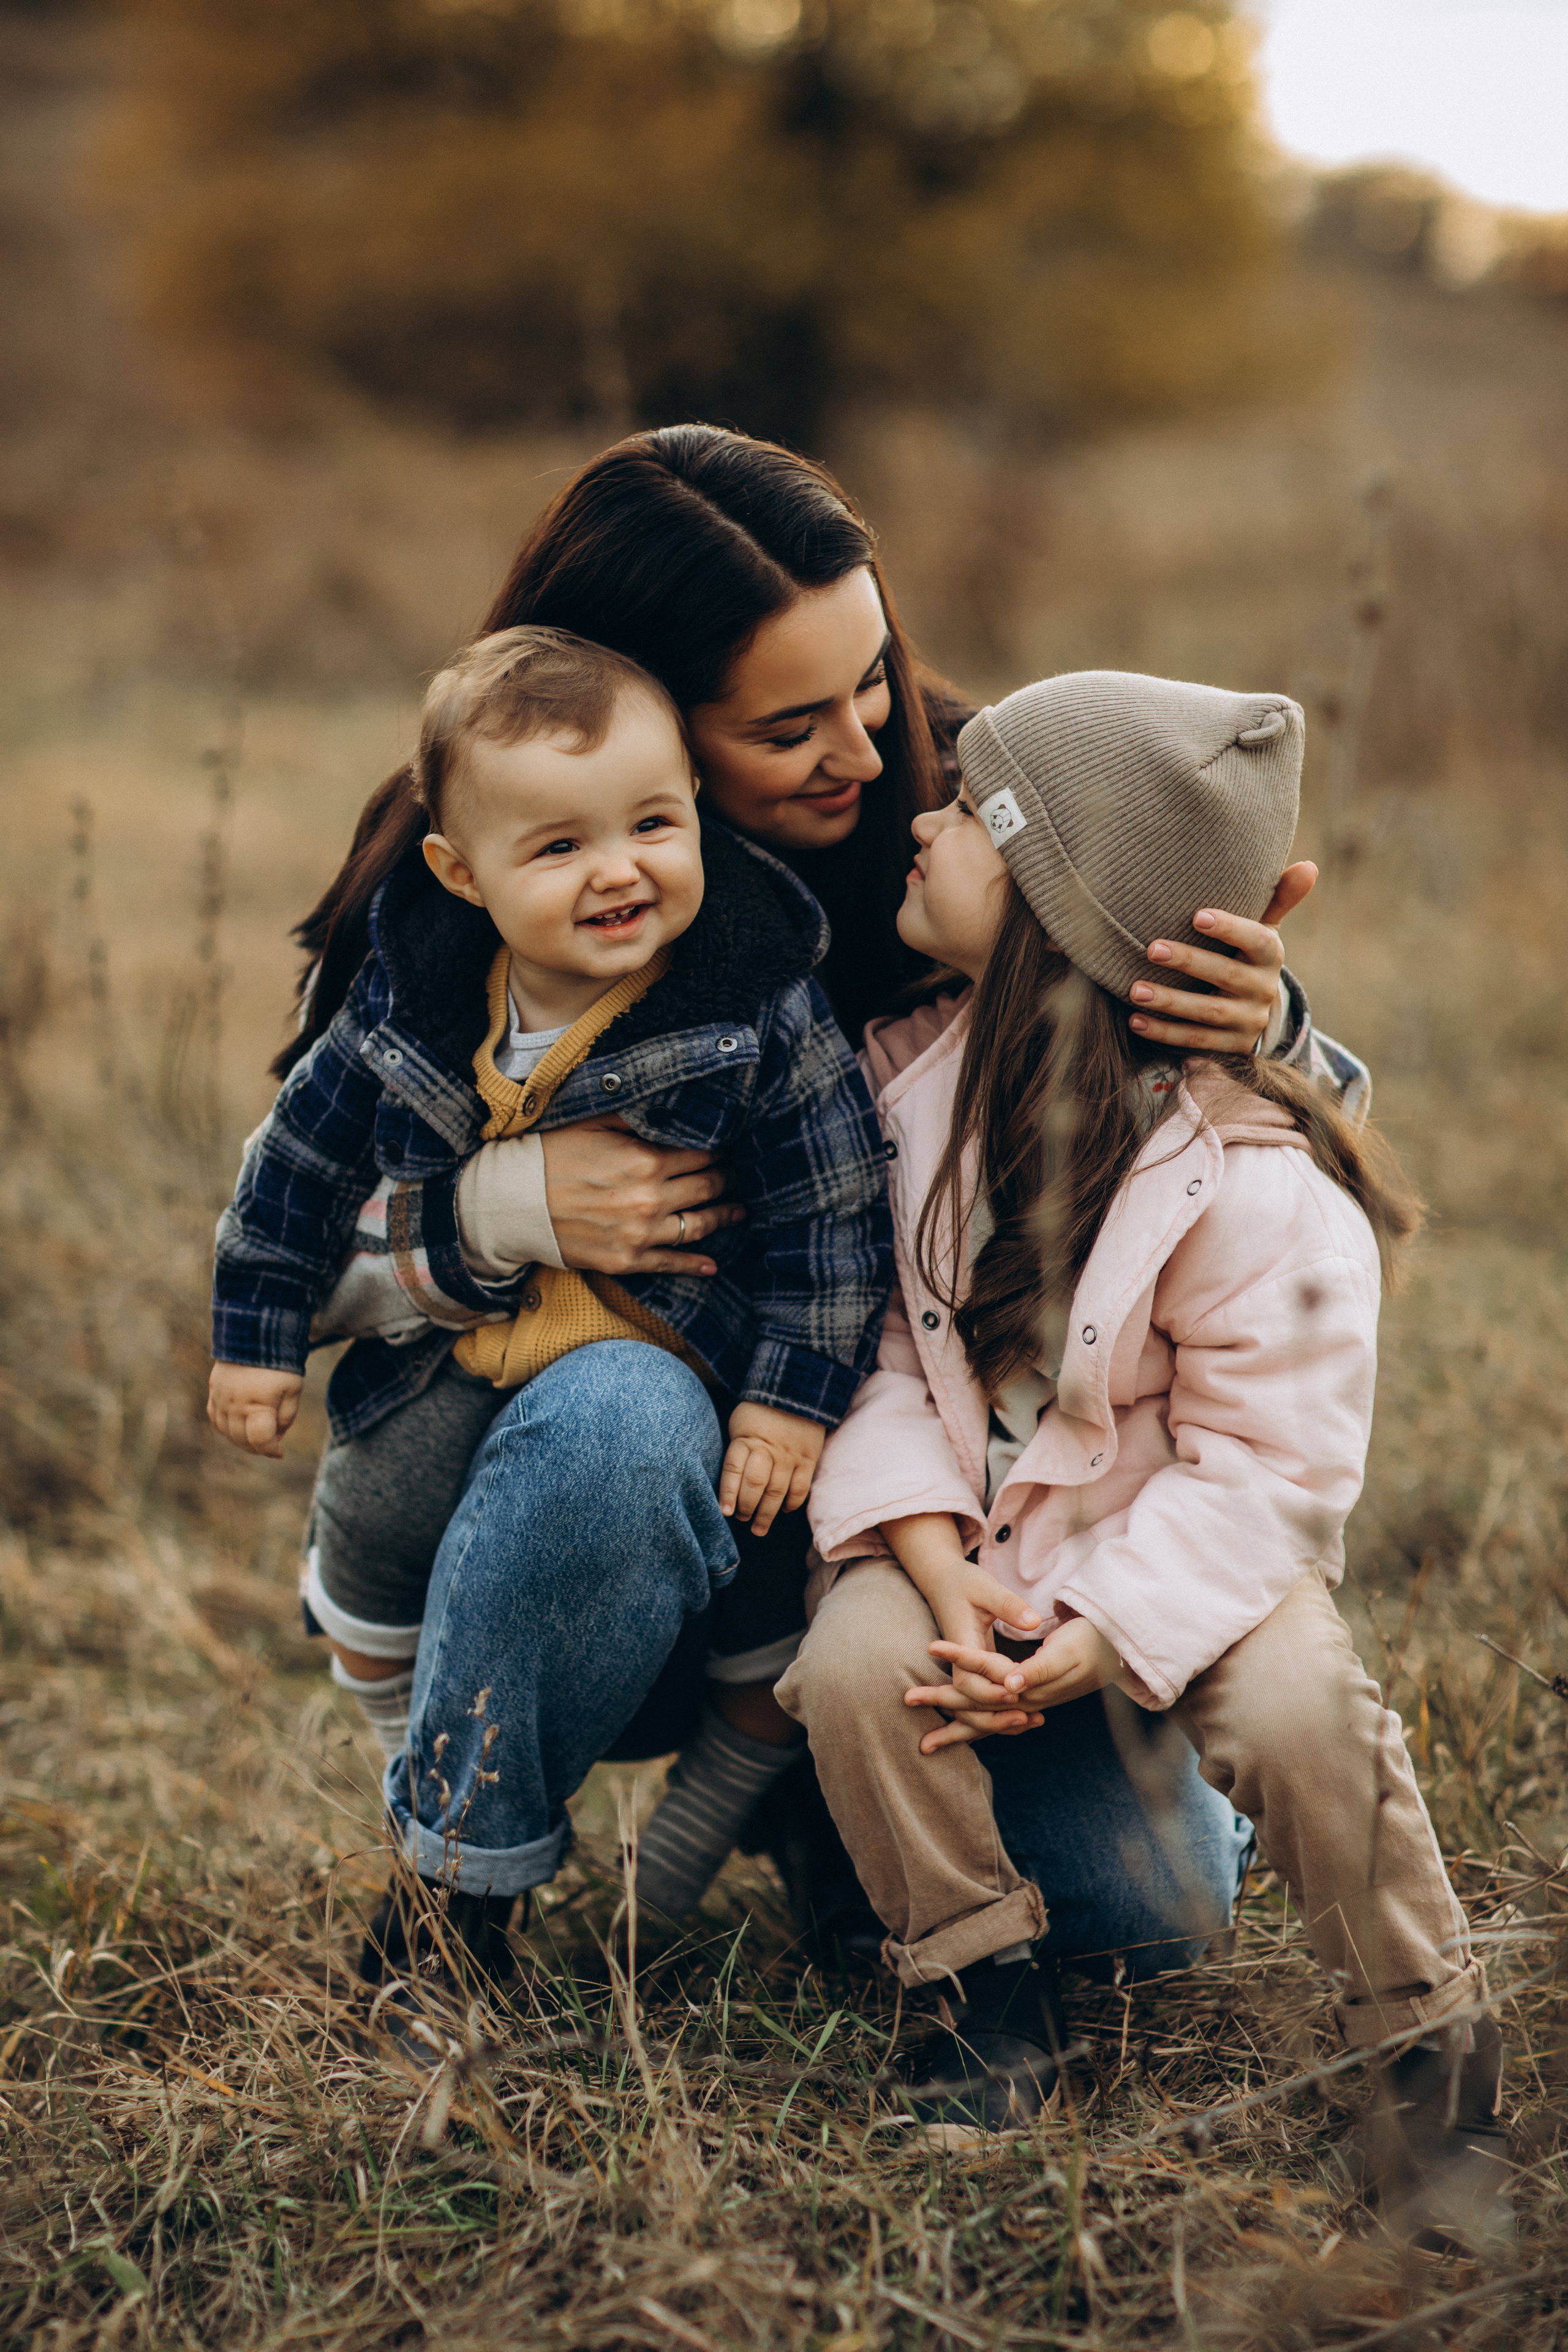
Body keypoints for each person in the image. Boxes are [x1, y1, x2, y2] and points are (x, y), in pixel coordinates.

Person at [263, 424, 1346, 1980]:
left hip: (923, 1522)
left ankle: (838, 1807)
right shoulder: (474, 863)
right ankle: (455, 1900)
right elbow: (278, 1268)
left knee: (1138, 1923)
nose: (860, 747)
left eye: (873, 679)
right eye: (787, 725)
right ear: (642, 720)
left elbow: (1281, 1201)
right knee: (628, 1410)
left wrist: (1260, 1027)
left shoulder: (972, 816)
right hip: (579, 1488)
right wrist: (504, 1207)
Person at [783, 670, 1510, 2247]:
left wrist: (1109, 1635)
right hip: (969, 1540)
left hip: (1191, 1563)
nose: (919, 818)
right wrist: (929, 1569)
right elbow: (888, 1360)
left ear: (1062, 900)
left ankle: (1420, 2039)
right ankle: (973, 1985)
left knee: (1309, 1710)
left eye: (967, 811)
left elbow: (1270, 1470)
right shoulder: (904, 1091)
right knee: (857, 1670)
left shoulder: (1254, 1175)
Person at [208, 626, 893, 1913]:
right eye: (559, 846)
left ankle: (700, 1827)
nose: (617, 873)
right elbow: (292, 1173)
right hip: (461, 1361)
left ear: (694, 804)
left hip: (695, 1376)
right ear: (460, 874)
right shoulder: (411, 997)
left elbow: (835, 1208)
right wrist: (252, 1336)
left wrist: (788, 1399)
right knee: (363, 1545)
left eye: (649, 824)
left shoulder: (749, 1000)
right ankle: (432, 1814)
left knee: (765, 1610)